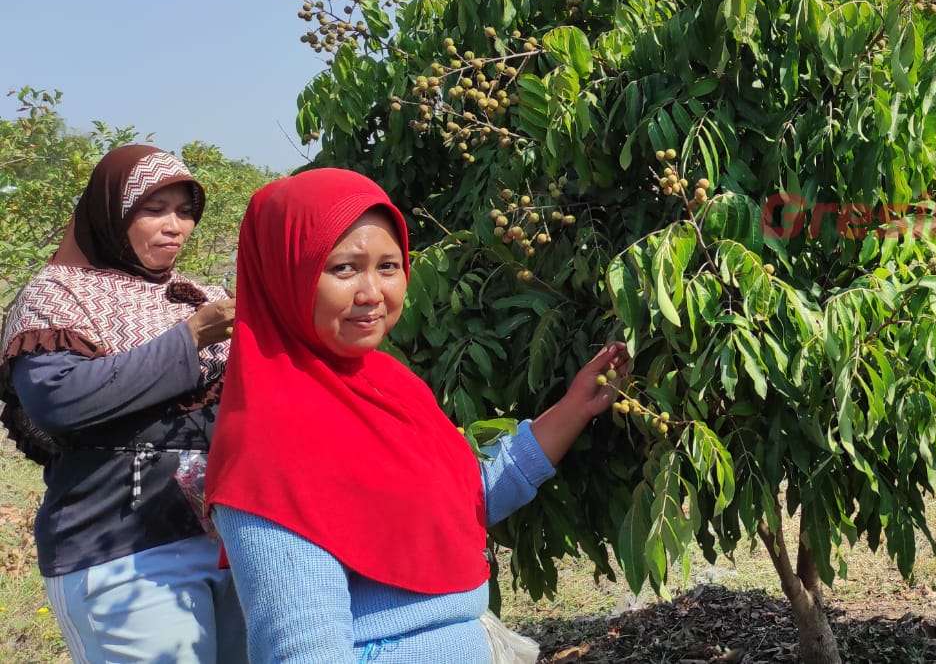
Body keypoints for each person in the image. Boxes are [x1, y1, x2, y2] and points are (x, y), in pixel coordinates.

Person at [204, 168, 628, 663]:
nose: (372, 293)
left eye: (388, 266)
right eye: (343, 268)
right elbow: (303, 651)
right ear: (283, 275)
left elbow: (461, 502)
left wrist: (577, 406)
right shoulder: (268, 445)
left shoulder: (389, 385)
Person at [0, 145, 244, 663]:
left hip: (222, 542)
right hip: (121, 549)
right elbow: (62, 402)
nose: (174, 226)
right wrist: (190, 338)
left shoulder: (196, 295)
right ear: (112, 213)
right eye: (153, 210)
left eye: (184, 211)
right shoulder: (58, 295)